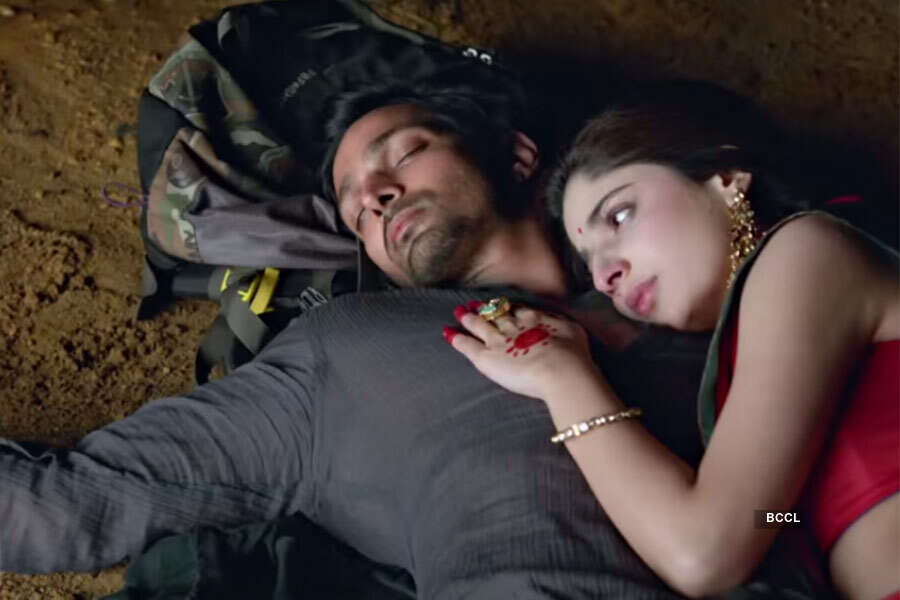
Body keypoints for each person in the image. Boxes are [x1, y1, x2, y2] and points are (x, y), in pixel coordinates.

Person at [444, 85, 899, 600]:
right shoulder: (743, 364)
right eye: (590, 265)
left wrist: (564, 378)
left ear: (725, 179)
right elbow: (774, 518)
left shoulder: (805, 252)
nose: (606, 275)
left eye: (619, 216)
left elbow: (702, 554)